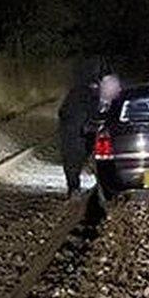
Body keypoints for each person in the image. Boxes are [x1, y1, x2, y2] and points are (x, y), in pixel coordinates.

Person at [58, 57, 116, 198]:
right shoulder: (93, 93)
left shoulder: (74, 93)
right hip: (83, 131)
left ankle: (74, 189)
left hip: (71, 131)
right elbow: (97, 113)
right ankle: (101, 189)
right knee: (95, 159)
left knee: (71, 161)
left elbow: (62, 112)